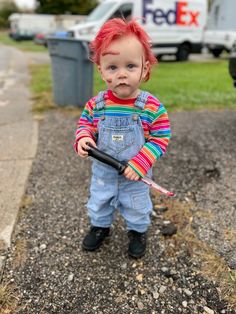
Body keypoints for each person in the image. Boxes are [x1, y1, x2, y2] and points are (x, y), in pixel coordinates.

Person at [74, 18, 171, 258]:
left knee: (137, 206)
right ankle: (100, 226)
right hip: (104, 173)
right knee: (99, 201)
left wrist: (140, 163)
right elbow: (85, 124)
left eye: (130, 66)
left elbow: (160, 137)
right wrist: (83, 138)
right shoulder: (97, 104)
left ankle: (137, 231)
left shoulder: (150, 107)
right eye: (112, 67)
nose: (122, 75)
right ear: (101, 71)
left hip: (136, 175)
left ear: (145, 68)